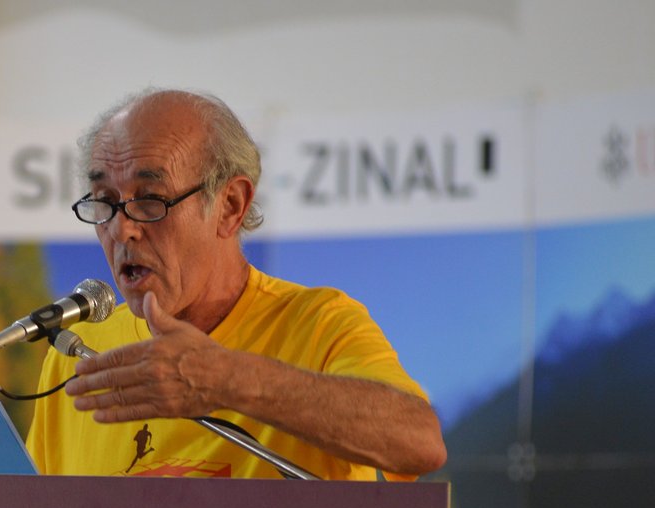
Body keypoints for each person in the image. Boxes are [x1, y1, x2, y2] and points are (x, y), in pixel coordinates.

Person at [26, 88, 447, 481]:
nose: (122, 230)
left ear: (230, 206)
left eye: (150, 199)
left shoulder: (318, 324)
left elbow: (419, 442)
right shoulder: (79, 352)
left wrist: (226, 379)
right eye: (105, 201)